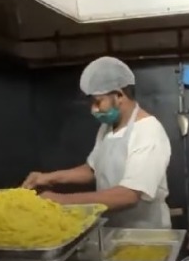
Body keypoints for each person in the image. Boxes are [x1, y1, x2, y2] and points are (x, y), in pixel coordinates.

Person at [21, 56, 172, 229]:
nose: (93, 109)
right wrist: (48, 178)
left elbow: (129, 195)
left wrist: (61, 201)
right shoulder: (108, 128)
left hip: (145, 235)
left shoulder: (148, 131)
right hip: (113, 229)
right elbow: (93, 169)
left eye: (98, 101)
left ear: (119, 95)